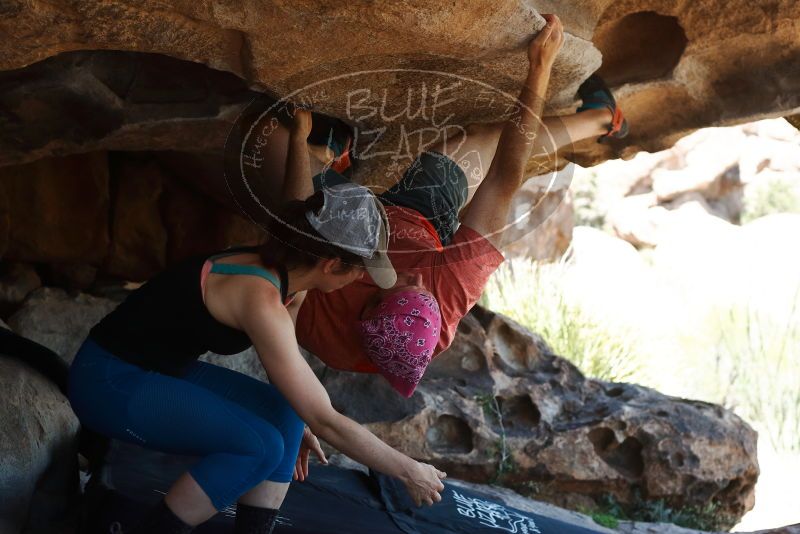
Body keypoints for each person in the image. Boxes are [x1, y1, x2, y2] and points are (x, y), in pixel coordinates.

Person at [67, 110, 447, 534]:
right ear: (331, 264)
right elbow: (326, 419)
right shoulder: (261, 298)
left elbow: (299, 202)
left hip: (158, 368)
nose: (363, 279)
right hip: (107, 382)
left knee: (288, 414)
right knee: (259, 446)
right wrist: (408, 469)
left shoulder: (291, 258)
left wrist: (301, 139)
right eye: (361, 269)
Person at [293, 15, 629, 397]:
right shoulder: (446, 291)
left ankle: (329, 154)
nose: (419, 281)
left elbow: (286, 221)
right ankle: (601, 119)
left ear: (367, 310)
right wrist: (539, 69)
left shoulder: (319, 328)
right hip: (419, 218)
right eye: (426, 296)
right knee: (482, 141)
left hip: (343, 230)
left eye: (408, 289)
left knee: (283, 144)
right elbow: (503, 178)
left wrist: (303, 156)